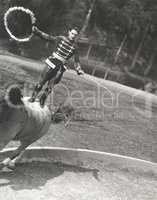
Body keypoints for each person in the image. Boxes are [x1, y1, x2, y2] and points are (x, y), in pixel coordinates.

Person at [29, 26, 84, 106]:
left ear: (77, 36)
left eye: (75, 35)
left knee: (50, 87)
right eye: (72, 33)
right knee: (41, 82)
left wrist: (79, 70)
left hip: (60, 68)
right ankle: (33, 97)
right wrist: (37, 31)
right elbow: (48, 37)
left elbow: (77, 60)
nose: (73, 36)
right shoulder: (60, 38)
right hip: (51, 63)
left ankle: (42, 100)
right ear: (69, 32)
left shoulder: (75, 48)